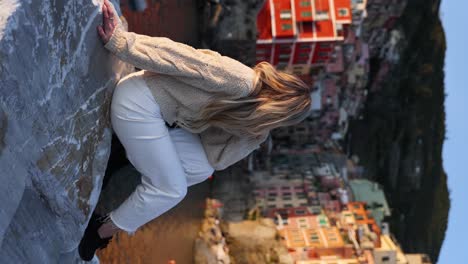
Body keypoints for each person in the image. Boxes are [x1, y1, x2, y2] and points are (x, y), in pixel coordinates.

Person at [78, 0, 312, 260]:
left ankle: (124, 157)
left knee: (201, 169)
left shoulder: (255, 124)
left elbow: (216, 160)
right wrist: (122, 42)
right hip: (138, 99)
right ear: (283, 112)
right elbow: (181, 57)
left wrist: (252, 132)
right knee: (172, 189)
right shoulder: (242, 81)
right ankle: (101, 230)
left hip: (158, 116)